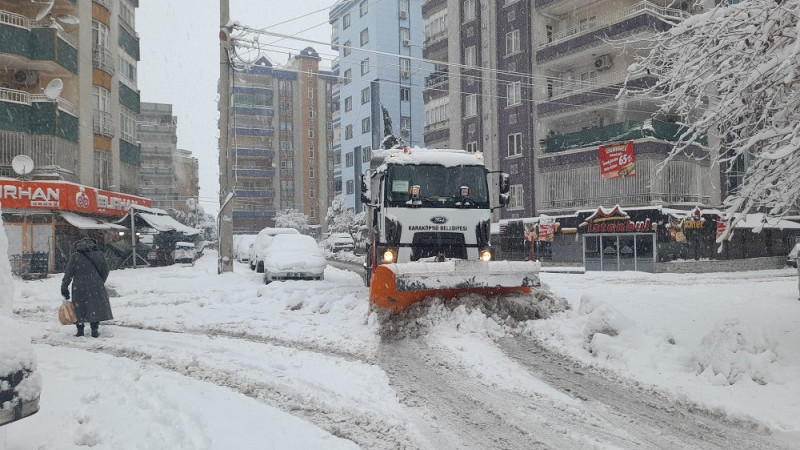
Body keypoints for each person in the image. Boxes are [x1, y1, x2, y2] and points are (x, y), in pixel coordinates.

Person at [61, 238, 113, 337]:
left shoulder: (75, 256)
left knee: (79, 307)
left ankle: (80, 330)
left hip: (79, 286)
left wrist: (64, 287)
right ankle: (94, 329)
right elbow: (106, 270)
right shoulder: (99, 255)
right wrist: (100, 281)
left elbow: (69, 273)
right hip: (96, 285)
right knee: (95, 306)